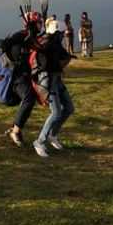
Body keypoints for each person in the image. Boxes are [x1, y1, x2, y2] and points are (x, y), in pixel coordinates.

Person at [32, 23, 74, 158]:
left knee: (69, 108)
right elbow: (45, 64)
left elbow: (64, 55)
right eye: (61, 34)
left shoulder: (55, 44)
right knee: (56, 113)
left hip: (57, 80)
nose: (63, 36)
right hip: (49, 82)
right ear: (56, 33)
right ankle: (39, 142)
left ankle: (52, 135)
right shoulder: (46, 45)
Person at [4, 11, 42, 147]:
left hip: (26, 75)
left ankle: (15, 127)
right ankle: (16, 131)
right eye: (38, 23)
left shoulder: (32, 38)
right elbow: (16, 57)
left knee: (36, 98)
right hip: (17, 77)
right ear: (32, 24)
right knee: (29, 98)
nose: (41, 25)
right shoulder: (20, 37)